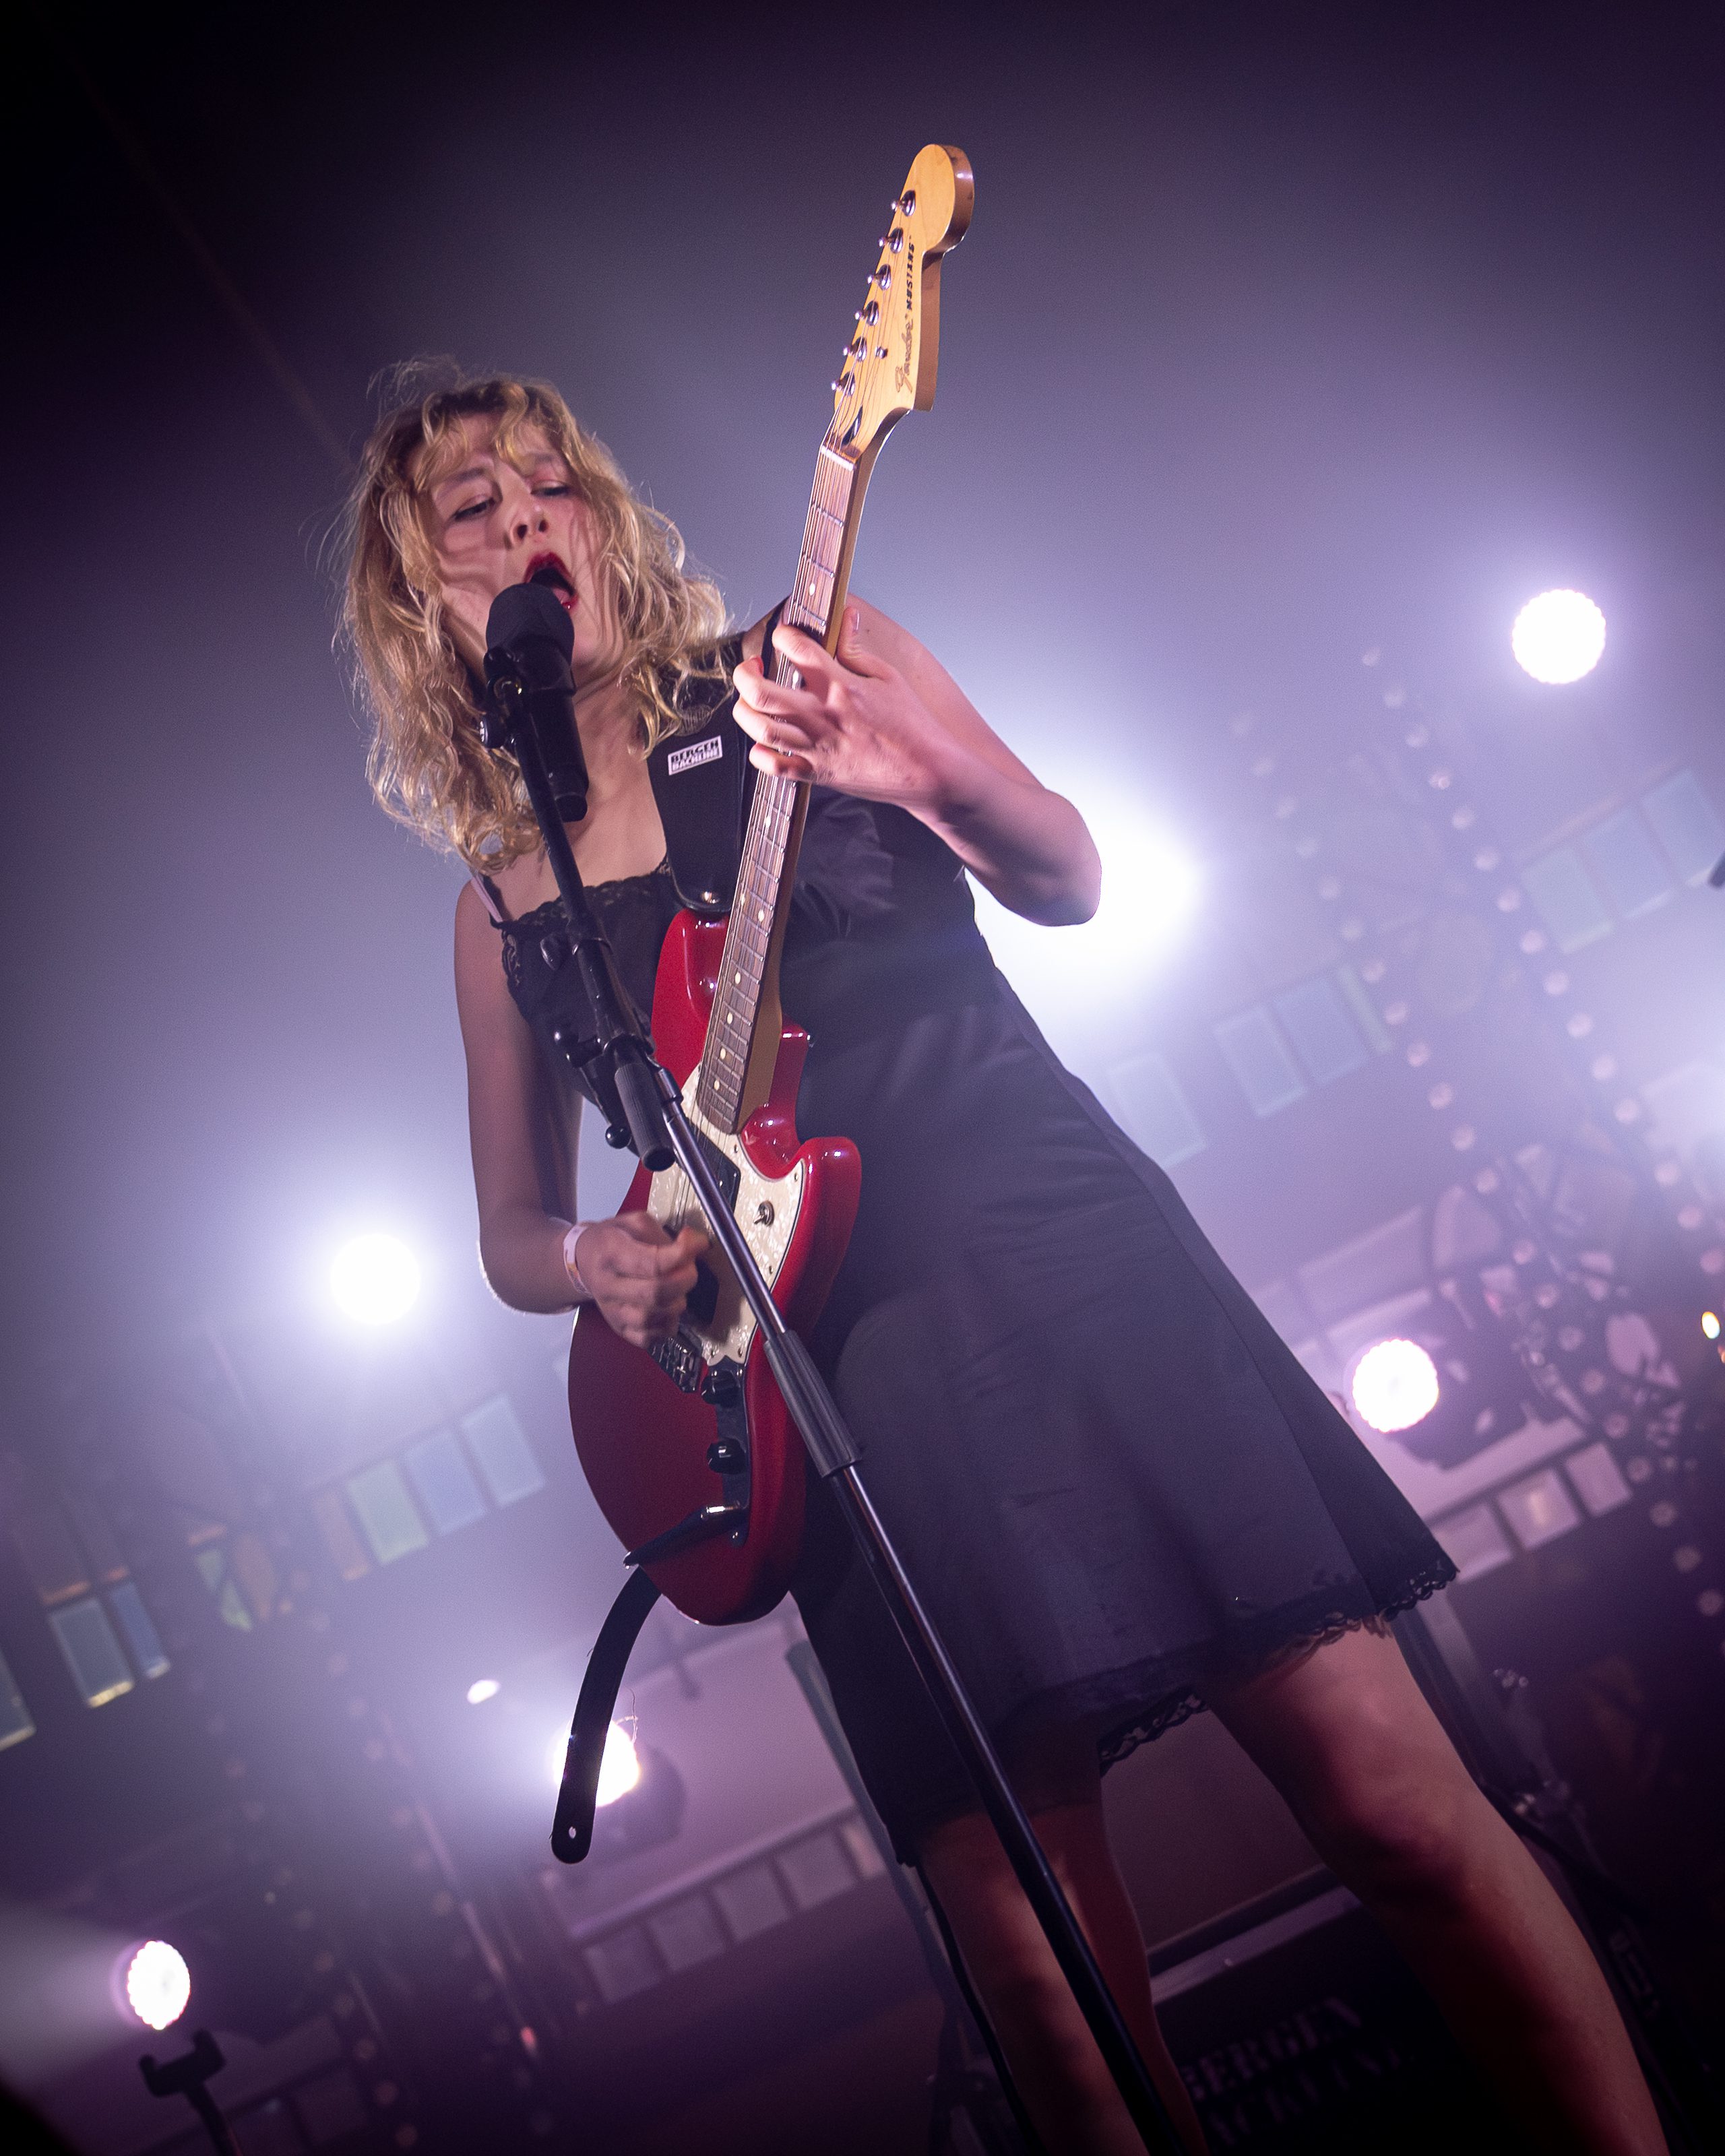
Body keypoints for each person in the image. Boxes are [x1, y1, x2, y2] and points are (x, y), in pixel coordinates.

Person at [342, 370, 1666, 2155]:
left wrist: (931, 777)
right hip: (831, 1390)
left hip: (1049, 1245)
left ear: (600, 517)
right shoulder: (500, 905)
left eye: (547, 483)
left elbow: (1070, 873)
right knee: (1047, 1989)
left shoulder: (799, 665)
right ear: (420, 591)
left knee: (1395, 1806)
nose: (523, 520)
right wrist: (593, 1256)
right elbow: (508, 1231)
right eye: (471, 506)